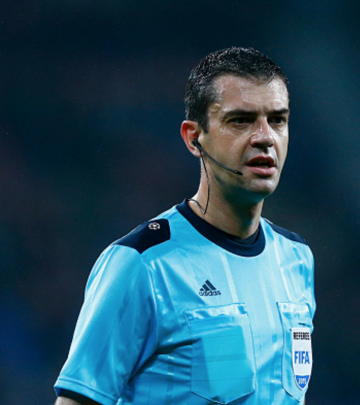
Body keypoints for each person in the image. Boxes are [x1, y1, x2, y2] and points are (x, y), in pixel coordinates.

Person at [53, 47, 315, 405]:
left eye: (278, 120)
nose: (265, 137)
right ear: (194, 138)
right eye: (240, 120)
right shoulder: (141, 263)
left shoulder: (297, 258)